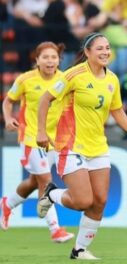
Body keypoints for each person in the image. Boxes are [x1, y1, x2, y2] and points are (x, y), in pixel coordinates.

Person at [36, 33, 127, 260]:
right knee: (82, 201)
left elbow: (116, 109)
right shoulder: (74, 75)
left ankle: (79, 250)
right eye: (99, 48)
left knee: (100, 201)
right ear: (87, 52)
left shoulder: (113, 80)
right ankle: (51, 194)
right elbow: (45, 99)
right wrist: (40, 131)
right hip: (71, 144)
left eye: (107, 48)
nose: (105, 52)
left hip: (98, 146)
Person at [1, 42, 74, 242]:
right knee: (45, 180)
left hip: (56, 140)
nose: (50, 61)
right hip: (31, 136)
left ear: (59, 60)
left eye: (53, 57)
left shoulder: (65, 80)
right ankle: (55, 229)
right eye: (45, 57)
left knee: (34, 182)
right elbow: (8, 101)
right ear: (37, 60)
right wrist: (8, 119)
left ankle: (7, 204)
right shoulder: (25, 79)